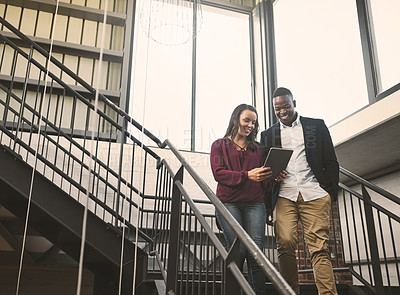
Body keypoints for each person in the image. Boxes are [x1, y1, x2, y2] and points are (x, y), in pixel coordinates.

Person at [260, 87, 339, 295]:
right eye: (278, 108)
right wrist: (273, 176)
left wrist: (330, 192)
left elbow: (331, 161)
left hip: (314, 192)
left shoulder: (316, 126)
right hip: (284, 195)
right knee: (284, 244)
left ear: (294, 102)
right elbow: (265, 169)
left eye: (286, 106)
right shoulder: (267, 135)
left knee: (320, 249)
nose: (282, 111)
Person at [210, 104, 285, 295]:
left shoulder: (258, 149)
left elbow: (263, 182)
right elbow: (219, 174)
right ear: (236, 120)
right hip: (228, 202)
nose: (250, 125)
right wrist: (246, 175)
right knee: (239, 250)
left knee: (256, 254)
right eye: (247, 120)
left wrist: (273, 177)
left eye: (254, 122)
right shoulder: (219, 145)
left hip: (255, 203)